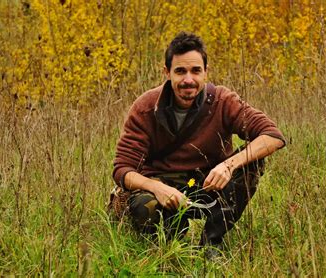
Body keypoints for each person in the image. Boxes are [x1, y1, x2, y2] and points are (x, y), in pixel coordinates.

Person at [112, 32, 285, 251]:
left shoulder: (222, 101)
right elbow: (122, 169)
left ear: (206, 73)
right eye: (180, 71)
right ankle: (173, 240)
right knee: (143, 206)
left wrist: (228, 166)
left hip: (209, 183)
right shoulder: (145, 108)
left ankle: (211, 244)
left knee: (252, 162)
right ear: (166, 73)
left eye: (196, 71)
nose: (188, 80)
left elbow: (272, 135)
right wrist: (156, 187)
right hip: (163, 187)